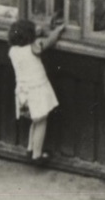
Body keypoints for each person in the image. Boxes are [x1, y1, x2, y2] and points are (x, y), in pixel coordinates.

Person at [7, 17, 65, 165]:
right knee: (41, 121)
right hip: (36, 90)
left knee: (35, 120)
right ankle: (37, 155)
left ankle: (30, 149)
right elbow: (49, 41)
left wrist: (38, 31)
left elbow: (32, 38)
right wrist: (57, 30)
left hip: (23, 92)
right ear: (29, 35)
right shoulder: (35, 46)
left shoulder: (13, 51)